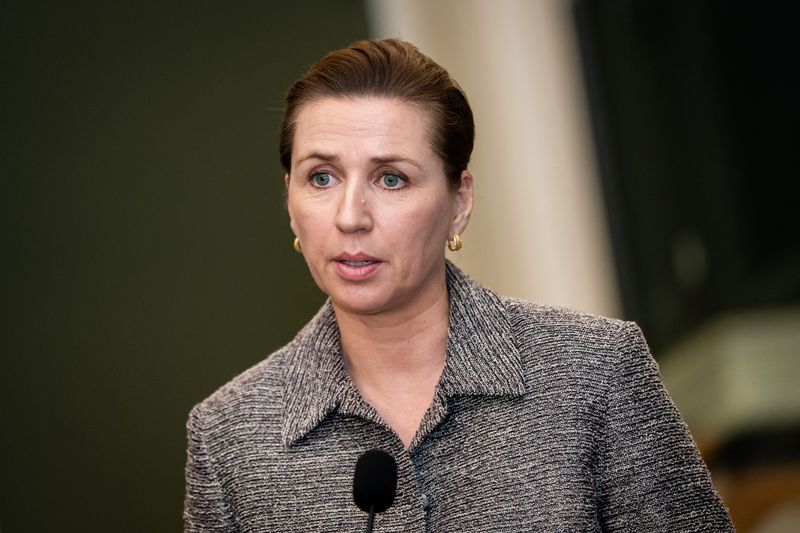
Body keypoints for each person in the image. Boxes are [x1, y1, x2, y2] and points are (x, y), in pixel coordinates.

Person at [184, 38, 732, 532]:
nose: (350, 216)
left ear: (459, 204)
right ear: (289, 201)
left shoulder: (596, 371)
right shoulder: (228, 438)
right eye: (321, 177)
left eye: (391, 178)